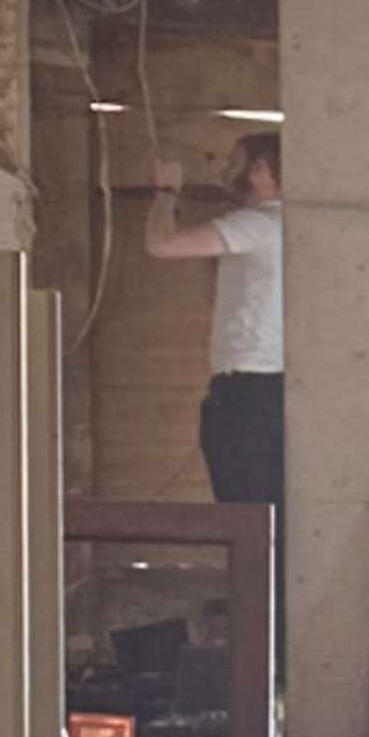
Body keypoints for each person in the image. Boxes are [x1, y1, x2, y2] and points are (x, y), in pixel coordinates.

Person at [146, 134, 285, 511]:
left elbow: (161, 244)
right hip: (270, 388)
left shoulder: (257, 225)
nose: (226, 171)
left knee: (245, 515)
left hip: (248, 389)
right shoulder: (285, 228)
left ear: (260, 171)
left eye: (236, 162)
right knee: (268, 511)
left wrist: (165, 191)